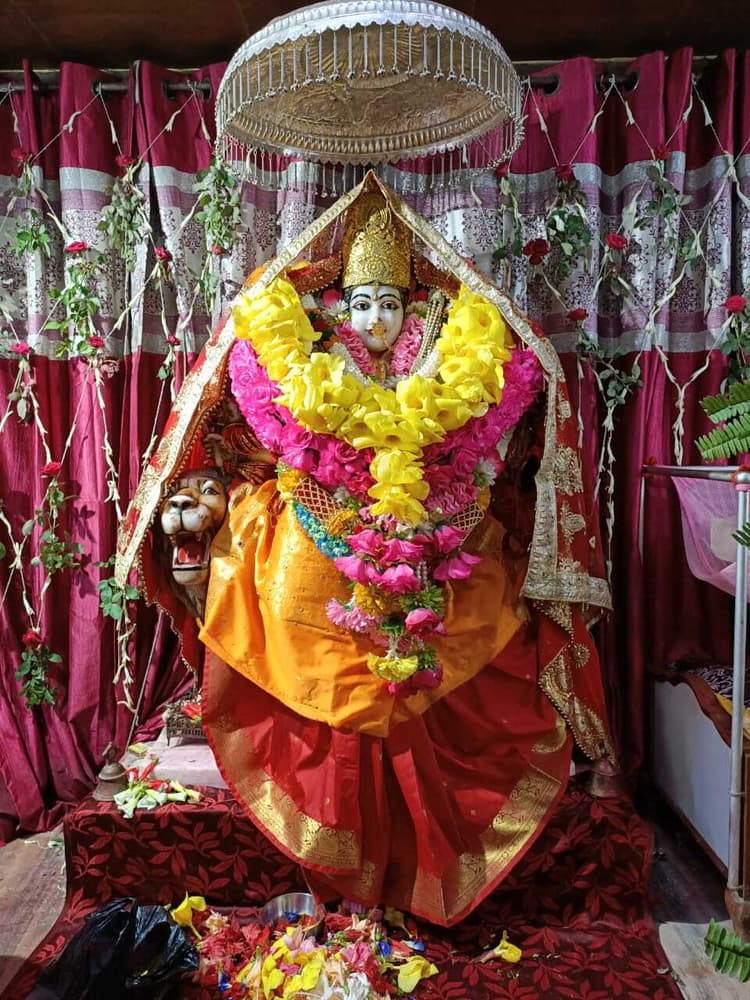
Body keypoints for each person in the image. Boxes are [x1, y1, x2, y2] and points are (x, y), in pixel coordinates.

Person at [116, 173, 613, 926]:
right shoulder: (310, 355)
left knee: (477, 594)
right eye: (361, 304)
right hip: (327, 515)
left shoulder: (449, 355)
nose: (376, 320)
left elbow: (486, 429)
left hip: (435, 519)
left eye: (389, 304)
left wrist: (449, 477)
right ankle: (338, 835)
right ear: (338, 309)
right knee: (284, 566)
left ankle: (422, 838)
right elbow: (276, 428)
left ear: (417, 311)